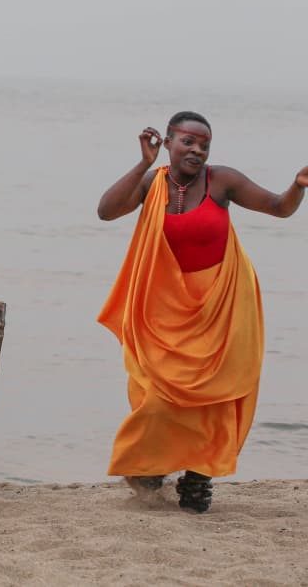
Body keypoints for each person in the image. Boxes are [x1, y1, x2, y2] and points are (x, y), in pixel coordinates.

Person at [96, 112, 307, 513]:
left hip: (221, 303)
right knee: (156, 395)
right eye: (188, 142)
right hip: (165, 306)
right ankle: (150, 465)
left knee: (214, 397)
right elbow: (106, 212)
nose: (197, 150)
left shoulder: (222, 180)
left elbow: (279, 208)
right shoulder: (152, 181)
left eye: (204, 145)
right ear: (169, 142)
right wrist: (142, 162)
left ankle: (198, 477)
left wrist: (297, 186)